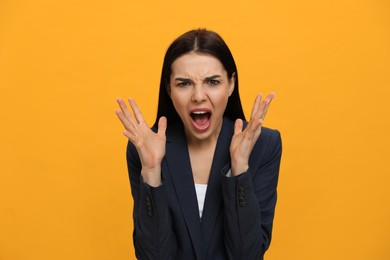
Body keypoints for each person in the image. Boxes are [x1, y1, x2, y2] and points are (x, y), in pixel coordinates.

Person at [115, 29, 282, 260]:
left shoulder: (265, 145)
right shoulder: (144, 149)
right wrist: (152, 171)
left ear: (231, 84)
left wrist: (239, 169)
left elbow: (248, 255)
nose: (199, 96)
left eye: (212, 82)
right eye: (184, 84)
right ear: (169, 89)